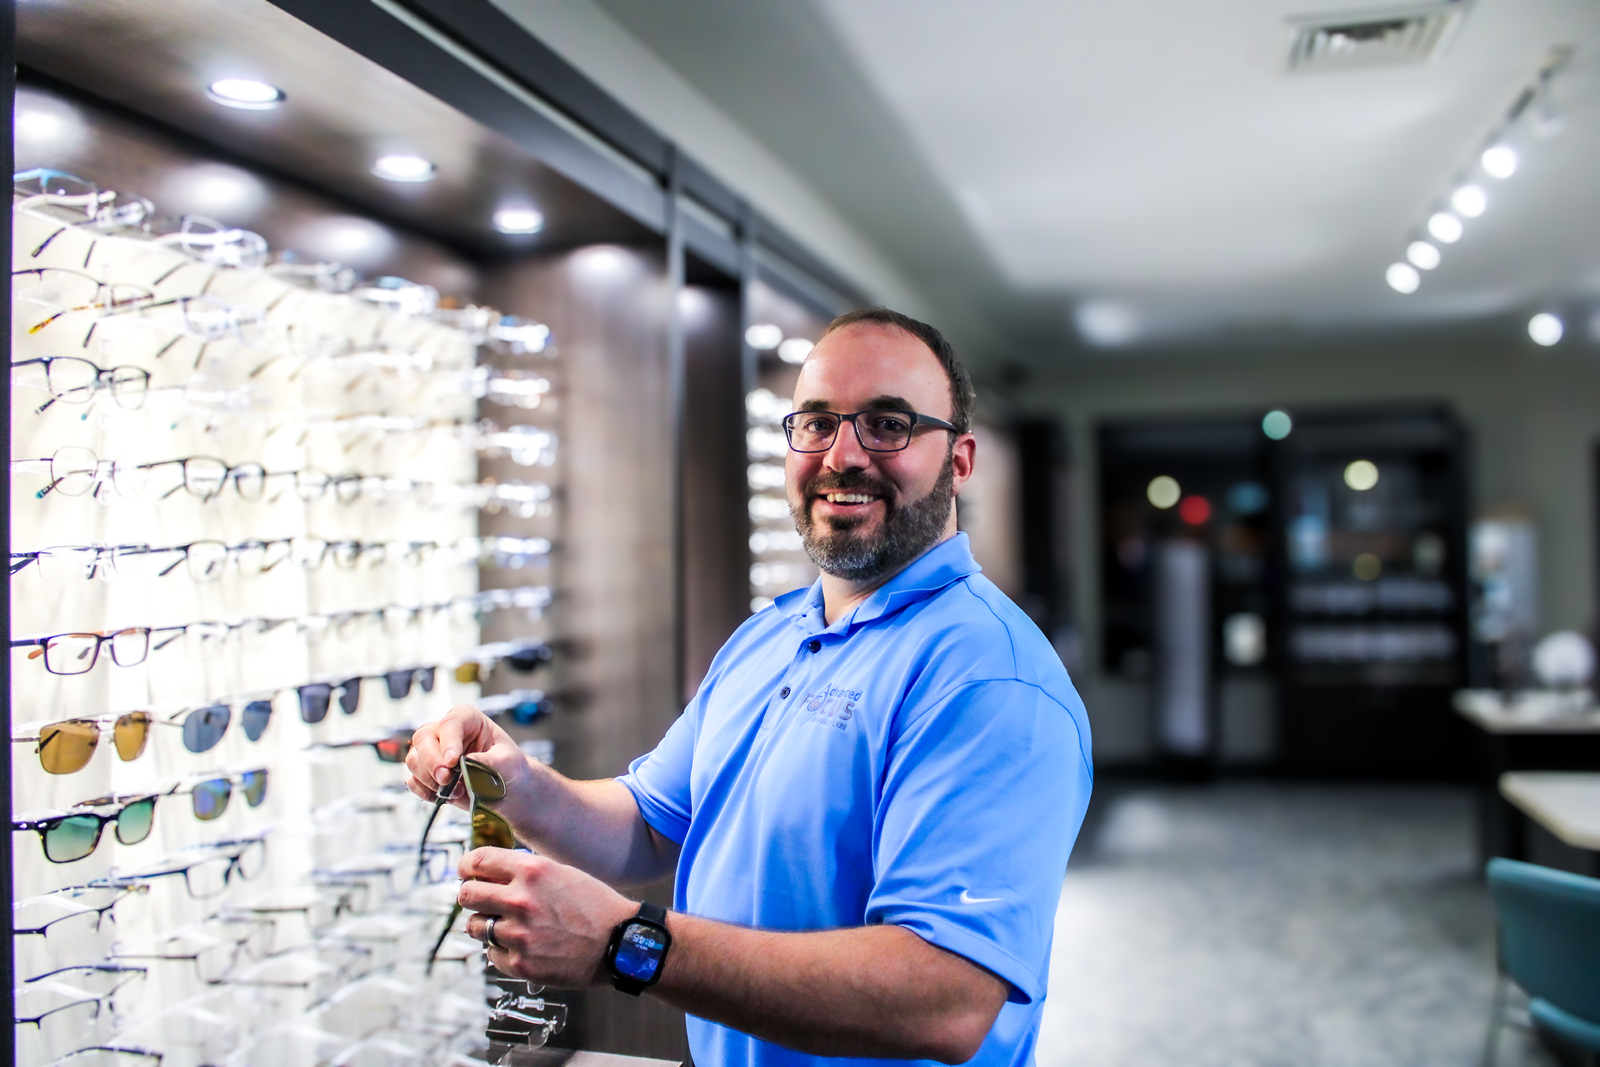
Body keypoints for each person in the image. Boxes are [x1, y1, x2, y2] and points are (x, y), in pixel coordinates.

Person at [407, 307, 1093, 1066]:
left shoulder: (992, 679)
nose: (844, 455)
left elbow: (944, 998)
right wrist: (520, 786)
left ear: (959, 460)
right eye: (817, 422)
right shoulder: (771, 637)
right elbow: (647, 825)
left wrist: (625, 944)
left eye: (888, 424)